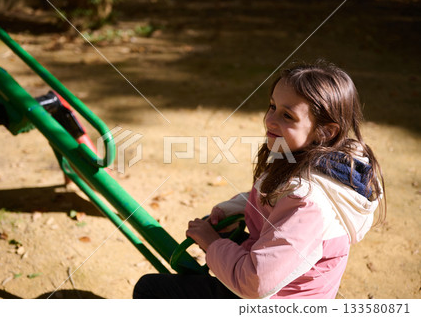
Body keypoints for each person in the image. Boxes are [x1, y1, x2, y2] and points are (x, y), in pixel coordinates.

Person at [133, 60, 386, 299]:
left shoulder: (309, 204)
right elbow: (278, 198)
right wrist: (234, 209)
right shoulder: (319, 164)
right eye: (272, 106)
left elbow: (256, 282)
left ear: (325, 131)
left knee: (150, 290)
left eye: (288, 116)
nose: (270, 119)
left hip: (274, 299)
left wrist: (212, 244)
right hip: (281, 285)